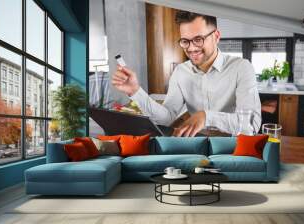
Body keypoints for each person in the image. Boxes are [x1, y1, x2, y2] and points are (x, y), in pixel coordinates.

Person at [112, 10, 261, 137]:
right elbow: (166, 118)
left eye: (198, 39)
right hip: (195, 147)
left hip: (232, 149)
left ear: (216, 36)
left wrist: (207, 117)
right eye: (185, 41)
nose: (191, 48)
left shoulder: (241, 68)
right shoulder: (180, 72)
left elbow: (250, 126)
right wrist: (135, 91)